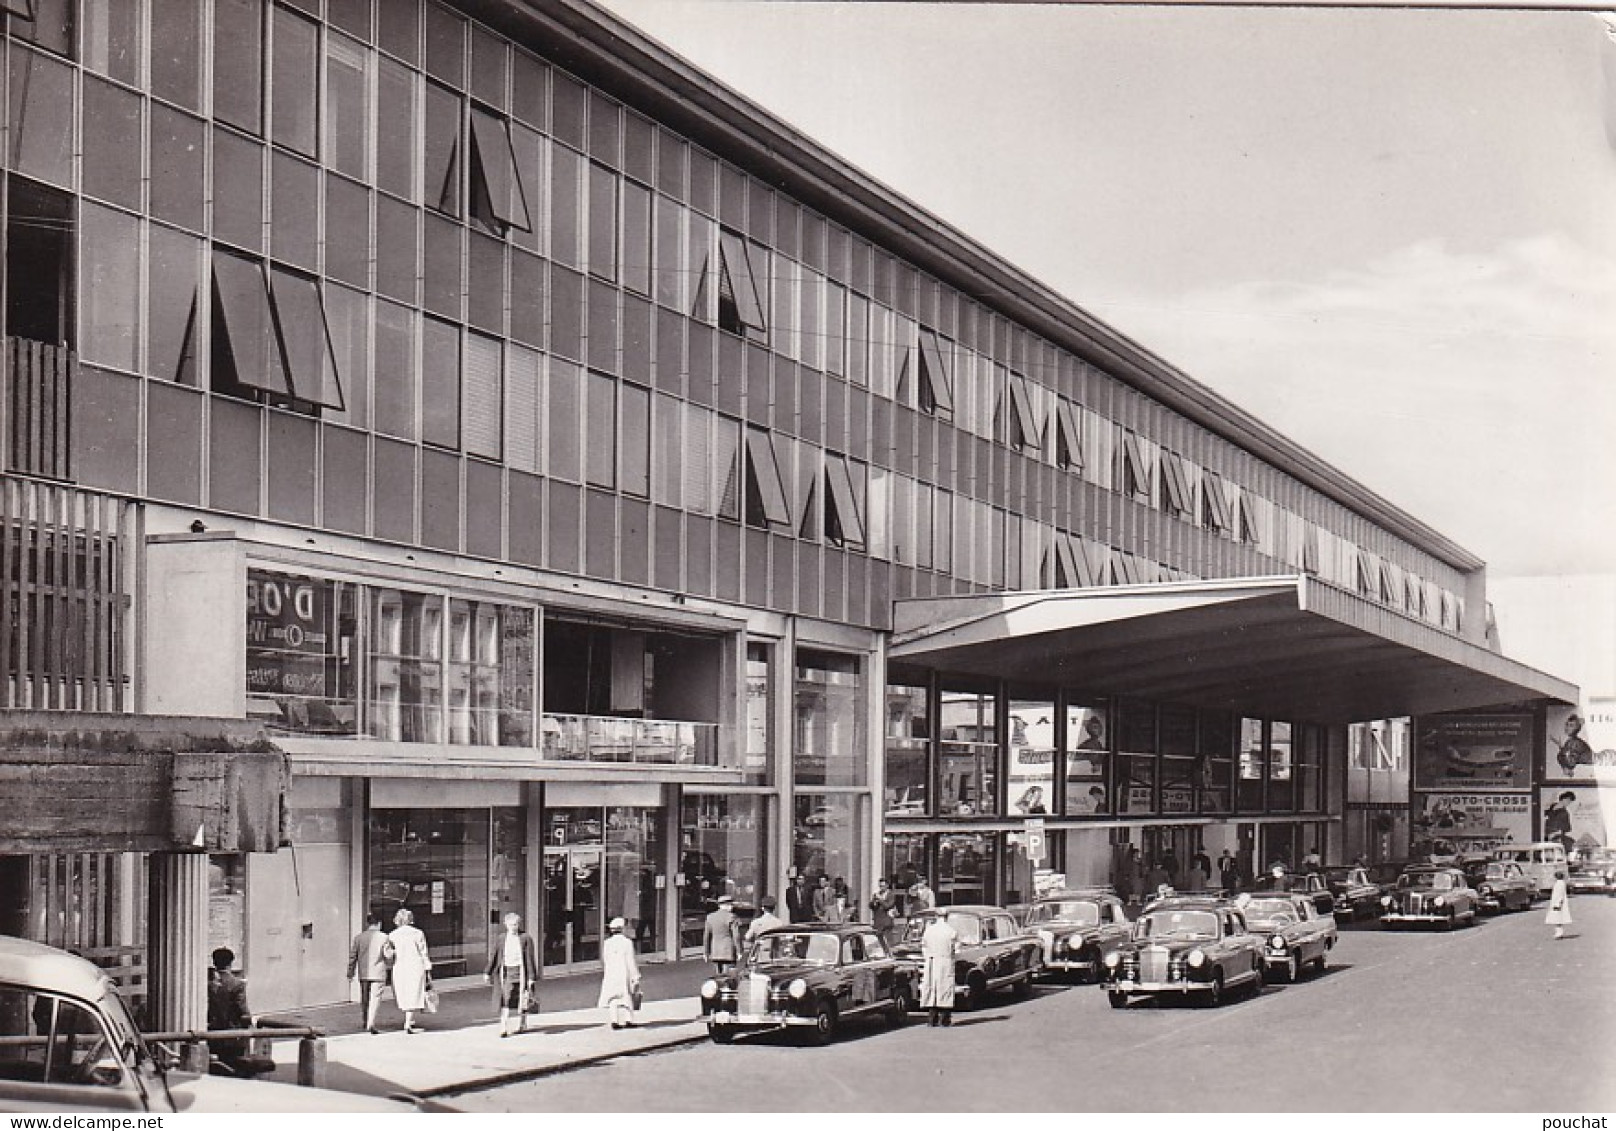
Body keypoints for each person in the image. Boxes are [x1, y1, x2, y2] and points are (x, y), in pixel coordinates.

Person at [485, 912, 539, 1038]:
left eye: (515, 925)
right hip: (507, 972)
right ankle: (503, 1026)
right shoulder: (501, 938)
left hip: (521, 972)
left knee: (523, 998)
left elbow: (530, 958)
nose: (513, 927)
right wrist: (488, 972)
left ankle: (523, 1023)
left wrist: (531, 977)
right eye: (510, 925)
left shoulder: (525, 938)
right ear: (506, 925)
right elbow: (495, 955)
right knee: (506, 998)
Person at [206, 947, 254, 1074]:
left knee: (216, 1068)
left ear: (214, 962)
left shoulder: (208, 984)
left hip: (212, 1033)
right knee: (234, 1067)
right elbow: (242, 1010)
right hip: (232, 1035)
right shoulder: (237, 984)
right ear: (230, 963)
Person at [346, 913, 394, 1034]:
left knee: (365, 998)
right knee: (375, 998)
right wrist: (394, 952)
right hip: (378, 973)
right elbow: (388, 955)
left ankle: (365, 1019)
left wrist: (350, 972)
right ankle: (371, 1023)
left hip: (364, 973)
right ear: (379, 924)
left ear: (368, 923)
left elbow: (353, 957)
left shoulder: (358, 938)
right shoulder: (384, 937)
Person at [388, 908, 432, 1034]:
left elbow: (390, 952)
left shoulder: (392, 935)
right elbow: (423, 952)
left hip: (400, 966)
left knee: (404, 992)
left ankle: (408, 1018)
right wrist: (428, 968)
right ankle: (408, 1021)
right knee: (414, 992)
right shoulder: (418, 933)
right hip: (415, 965)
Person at [598, 917, 642, 1029]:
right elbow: (630, 960)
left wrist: (607, 970)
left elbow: (605, 958)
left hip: (611, 972)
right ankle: (629, 1019)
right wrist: (635, 975)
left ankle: (614, 1020)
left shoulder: (607, 943)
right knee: (627, 995)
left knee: (613, 997)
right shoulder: (627, 942)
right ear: (622, 929)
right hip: (624, 971)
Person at [918, 912, 959, 1027]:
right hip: (945, 961)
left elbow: (924, 947)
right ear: (946, 917)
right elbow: (956, 948)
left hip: (931, 961)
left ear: (936, 917)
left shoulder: (929, 930)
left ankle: (932, 1019)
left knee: (932, 988)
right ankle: (945, 1019)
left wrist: (928, 956)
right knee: (945, 988)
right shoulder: (951, 931)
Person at [703, 894, 740, 973]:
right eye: (731, 904)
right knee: (729, 975)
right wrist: (739, 951)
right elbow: (736, 936)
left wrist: (706, 952)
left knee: (718, 975)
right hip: (728, 951)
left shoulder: (710, 917)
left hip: (715, 951)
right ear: (727, 905)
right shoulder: (731, 917)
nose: (732, 907)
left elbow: (706, 936)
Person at [869, 878, 899, 944]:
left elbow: (887, 906)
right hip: (878, 922)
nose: (881, 888)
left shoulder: (890, 895)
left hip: (886, 922)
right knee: (878, 943)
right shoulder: (877, 894)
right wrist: (874, 902)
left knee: (887, 943)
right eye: (880, 886)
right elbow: (871, 906)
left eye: (882, 886)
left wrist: (880, 899)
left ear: (887, 886)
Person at [1546, 869, 1573, 940]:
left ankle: (1559, 933)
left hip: (1558, 903)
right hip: (1558, 902)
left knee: (1557, 919)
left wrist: (1557, 903)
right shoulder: (1560, 883)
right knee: (1557, 919)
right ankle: (1559, 932)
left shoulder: (1559, 884)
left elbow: (1559, 894)